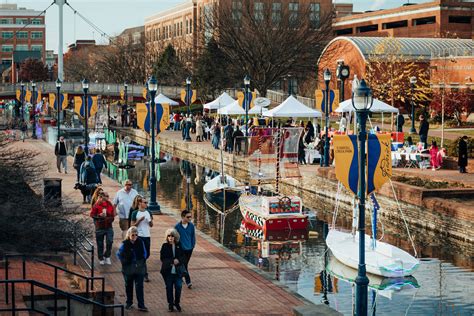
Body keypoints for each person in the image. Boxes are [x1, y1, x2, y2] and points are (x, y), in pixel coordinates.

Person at [117, 227, 148, 311]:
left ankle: (141, 305)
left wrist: (142, 261)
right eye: (133, 235)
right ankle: (129, 302)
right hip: (128, 268)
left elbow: (145, 253)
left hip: (139, 268)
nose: (134, 236)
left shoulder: (140, 242)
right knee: (129, 286)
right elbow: (119, 254)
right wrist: (124, 262)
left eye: (136, 234)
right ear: (129, 235)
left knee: (139, 287)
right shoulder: (125, 244)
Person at [160, 228, 186, 312]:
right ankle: (170, 304)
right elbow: (162, 258)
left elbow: (183, 257)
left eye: (172, 236)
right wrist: (172, 261)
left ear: (175, 237)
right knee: (169, 288)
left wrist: (178, 260)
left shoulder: (179, 245)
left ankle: (177, 303)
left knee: (178, 287)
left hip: (178, 271)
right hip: (168, 272)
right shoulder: (164, 246)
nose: (170, 238)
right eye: (169, 236)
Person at [131, 197, 153, 282]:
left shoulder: (149, 212)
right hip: (138, 236)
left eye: (147, 202)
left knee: (146, 255)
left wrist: (150, 221)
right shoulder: (135, 213)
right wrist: (139, 221)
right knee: (141, 255)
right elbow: (132, 226)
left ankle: (138, 269)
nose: (146, 204)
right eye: (145, 202)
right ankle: (144, 274)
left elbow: (151, 225)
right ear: (140, 203)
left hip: (147, 236)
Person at [90, 192, 116, 265]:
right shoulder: (96, 205)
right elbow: (92, 215)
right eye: (106, 196)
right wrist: (99, 215)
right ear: (101, 197)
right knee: (100, 243)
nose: (108, 197)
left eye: (108, 196)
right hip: (99, 227)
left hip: (109, 226)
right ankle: (101, 258)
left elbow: (112, 215)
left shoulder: (109, 204)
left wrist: (110, 218)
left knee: (110, 241)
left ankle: (107, 256)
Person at [174, 210, 195, 289]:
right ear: (183, 217)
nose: (190, 218)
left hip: (189, 249)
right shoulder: (177, 227)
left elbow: (193, 236)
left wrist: (192, 245)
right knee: (184, 265)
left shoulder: (191, 226)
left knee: (184, 264)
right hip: (181, 249)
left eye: (190, 217)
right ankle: (188, 281)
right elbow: (175, 239)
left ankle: (179, 275)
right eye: (188, 217)